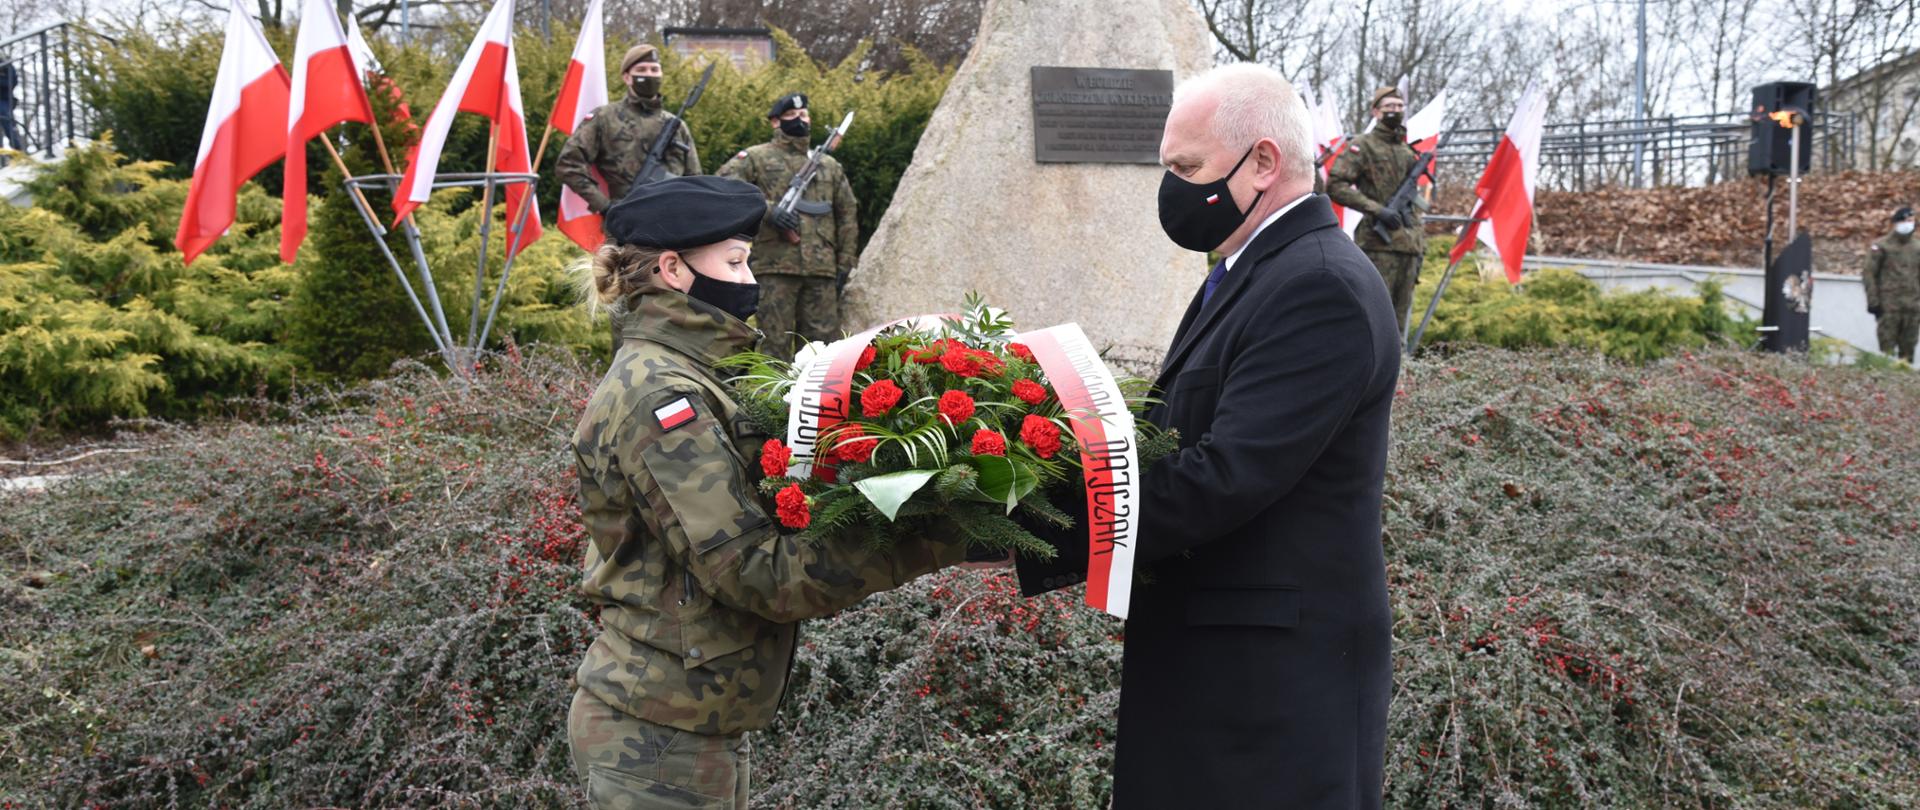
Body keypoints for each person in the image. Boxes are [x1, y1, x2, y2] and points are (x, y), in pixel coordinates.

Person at [1017, 63, 1399, 809]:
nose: (1174, 190)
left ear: (1263, 161)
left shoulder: (1319, 285)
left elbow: (1224, 476)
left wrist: (1022, 523)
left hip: (1271, 693)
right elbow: (1175, 435)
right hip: (1223, 666)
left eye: (1186, 169)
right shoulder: (1253, 268)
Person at [567, 175, 967, 809]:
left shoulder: (699, 370)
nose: (750, 278)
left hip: (692, 718)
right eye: (734, 261)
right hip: (658, 737)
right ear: (673, 269)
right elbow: (756, 572)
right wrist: (941, 535)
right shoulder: (662, 398)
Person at [716, 93, 859, 362]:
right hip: (774, 268)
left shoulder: (829, 166)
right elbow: (726, 186)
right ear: (775, 122)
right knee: (774, 348)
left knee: (825, 353)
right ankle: (771, 405)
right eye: (792, 115)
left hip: (822, 271)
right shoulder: (756, 158)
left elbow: (847, 214)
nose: (799, 120)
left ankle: (820, 404)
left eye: (804, 114)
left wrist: (845, 264)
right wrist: (769, 210)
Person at [555, 44, 700, 216]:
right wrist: (605, 207)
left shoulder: (676, 125)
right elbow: (568, 164)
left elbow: (695, 180)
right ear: (627, 77)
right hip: (625, 223)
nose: (649, 74)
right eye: (642, 69)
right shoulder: (605, 118)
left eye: (655, 69)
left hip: (672, 220)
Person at [1327, 86, 1427, 335]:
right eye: (1389, 106)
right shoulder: (1363, 145)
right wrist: (1377, 210)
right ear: (1376, 111)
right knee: (1371, 320)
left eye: (1399, 106)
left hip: (1409, 246)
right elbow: (1335, 185)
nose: (1395, 111)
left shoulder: (1407, 151)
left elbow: (1414, 203)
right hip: (1377, 245)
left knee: (1398, 325)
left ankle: (1400, 370)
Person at [1865, 205, 1919, 362]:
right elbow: (1869, 274)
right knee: (1886, 352)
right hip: (1888, 307)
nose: (1909, 224)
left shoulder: (1917, 248)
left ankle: (1904, 385)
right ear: (1896, 223)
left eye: (1911, 220)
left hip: (1912, 307)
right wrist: (1873, 301)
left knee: (1908, 352)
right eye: (1905, 220)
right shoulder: (1882, 246)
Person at [0, 59, 22, 153]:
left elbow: (11, 82)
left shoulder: (6, 65)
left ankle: (17, 151)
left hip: (3, 100)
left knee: (7, 122)